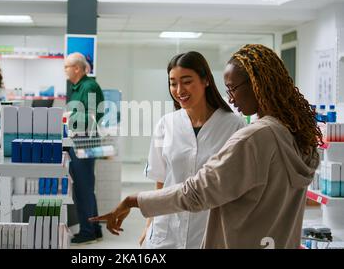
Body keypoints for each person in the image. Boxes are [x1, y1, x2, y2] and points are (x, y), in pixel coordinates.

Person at [91, 44, 322, 249]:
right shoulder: (295, 134)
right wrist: (150, 221)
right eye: (173, 83)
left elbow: (199, 191)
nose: (231, 98)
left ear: (258, 85)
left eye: (233, 89)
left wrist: (134, 200)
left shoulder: (250, 135)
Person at [139, 52, 245, 249]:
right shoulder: (166, 124)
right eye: (173, 83)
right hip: (166, 230)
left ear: (205, 80)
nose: (179, 90)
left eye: (187, 81)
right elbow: (161, 181)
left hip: (210, 228)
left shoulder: (233, 126)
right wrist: (149, 225)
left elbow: (236, 185)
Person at [65, 52, 105, 245]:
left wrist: (68, 120)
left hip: (84, 142)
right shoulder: (79, 87)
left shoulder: (89, 86)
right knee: (86, 187)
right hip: (79, 140)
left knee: (83, 188)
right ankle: (95, 228)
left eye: (67, 67)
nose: (65, 70)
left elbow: (90, 116)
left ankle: (87, 231)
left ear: (78, 68)